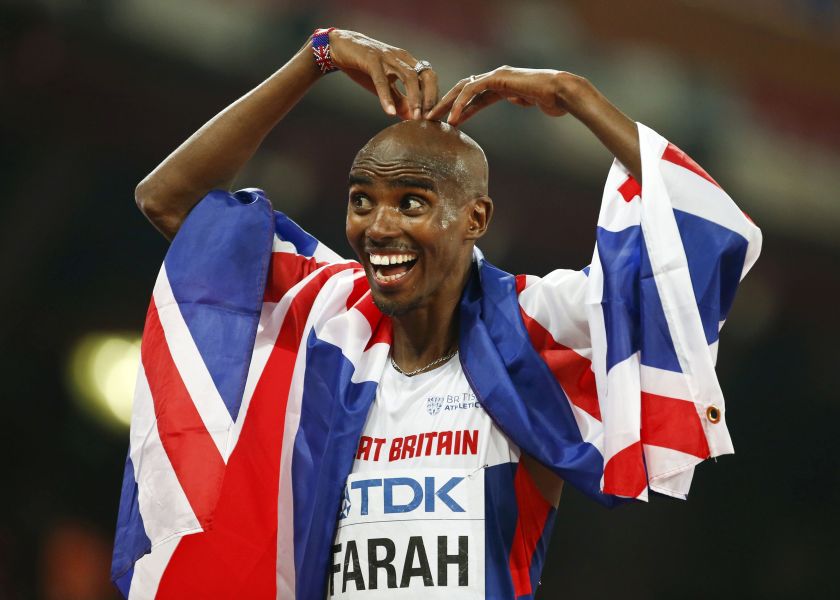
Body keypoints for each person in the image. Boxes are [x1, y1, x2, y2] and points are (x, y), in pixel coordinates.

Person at [112, 28, 761, 599]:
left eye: (412, 203)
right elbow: (170, 201)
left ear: (475, 218)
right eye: (362, 200)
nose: (378, 226)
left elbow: (702, 237)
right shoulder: (330, 312)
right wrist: (319, 55)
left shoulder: (534, 327)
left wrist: (577, 96)